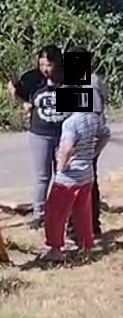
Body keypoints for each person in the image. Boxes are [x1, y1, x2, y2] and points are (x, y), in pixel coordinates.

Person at [43, 93, 111, 261]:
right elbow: (106, 134)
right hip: (86, 173)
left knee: (55, 213)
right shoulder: (93, 118)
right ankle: (85, 246)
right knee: (83, 213)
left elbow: (66, 147)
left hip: (68, 177)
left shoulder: (71, 123)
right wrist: (94, 152)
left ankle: (56, 249)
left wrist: (60, 167)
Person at [8, 45, 69, 229]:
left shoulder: (67, 77)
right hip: (40, 133)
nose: (45, 68)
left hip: (63, 133)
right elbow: (14, 89)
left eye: (48, 65)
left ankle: (62, 213)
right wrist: (23, 103)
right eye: (42, 64)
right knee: (43, 176)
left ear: (57, 63)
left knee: (63, 175)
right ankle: (39, 213)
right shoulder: (32, 78)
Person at [65, 45, 108, 238]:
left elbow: (94, 114)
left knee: (86, 182)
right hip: (78, 138)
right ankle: (81, 225)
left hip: (88, 139)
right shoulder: (77, 82)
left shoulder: (91, 83)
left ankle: (88, 225)